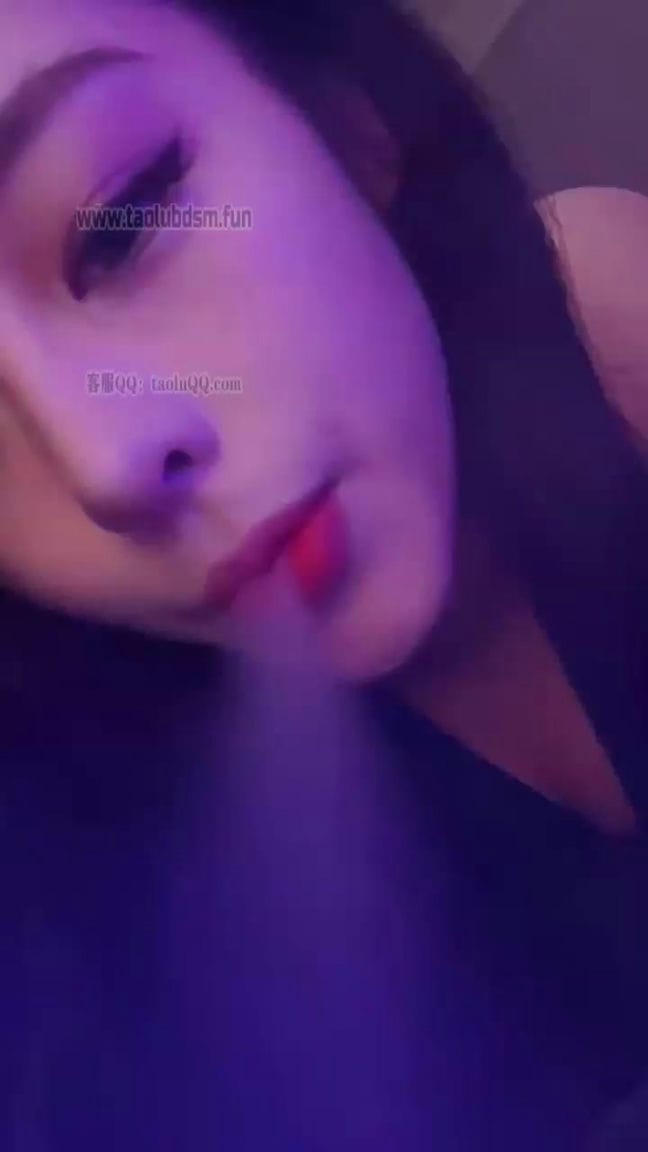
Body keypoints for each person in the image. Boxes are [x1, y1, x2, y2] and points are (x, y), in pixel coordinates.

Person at [1, 2, 647, 1148]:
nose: (107, 463)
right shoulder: (123, 967)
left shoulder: (618, 326)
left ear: (349, 126)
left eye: (122, 221)